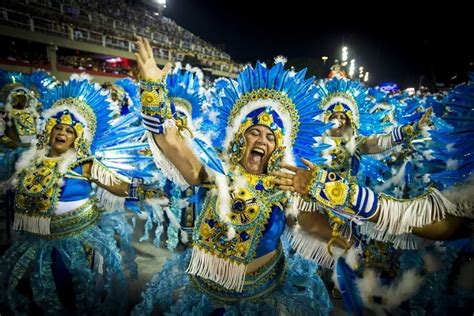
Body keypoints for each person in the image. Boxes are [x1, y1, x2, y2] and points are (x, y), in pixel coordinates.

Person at [132, 37, 332, 315]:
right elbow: (171, 141)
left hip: (258, 296)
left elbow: (314, 226)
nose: (262, 139)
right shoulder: (214, 173)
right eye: (254, 132)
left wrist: (345, 216)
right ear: (240, 137)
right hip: (206, 290)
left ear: (279, 148)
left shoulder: (284, 188)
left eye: (270, 136)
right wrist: (153, 88)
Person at [0, 74, 135, 315]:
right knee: (41, 289)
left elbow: (118, 185)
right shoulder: (31, 160)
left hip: (74, 239)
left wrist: (142, 191)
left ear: (78, 137)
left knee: (72, 290)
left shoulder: (84, 164)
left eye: (70, 131)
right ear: (49, 131)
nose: (62, 133)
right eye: (58, 128)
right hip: (36, 240)